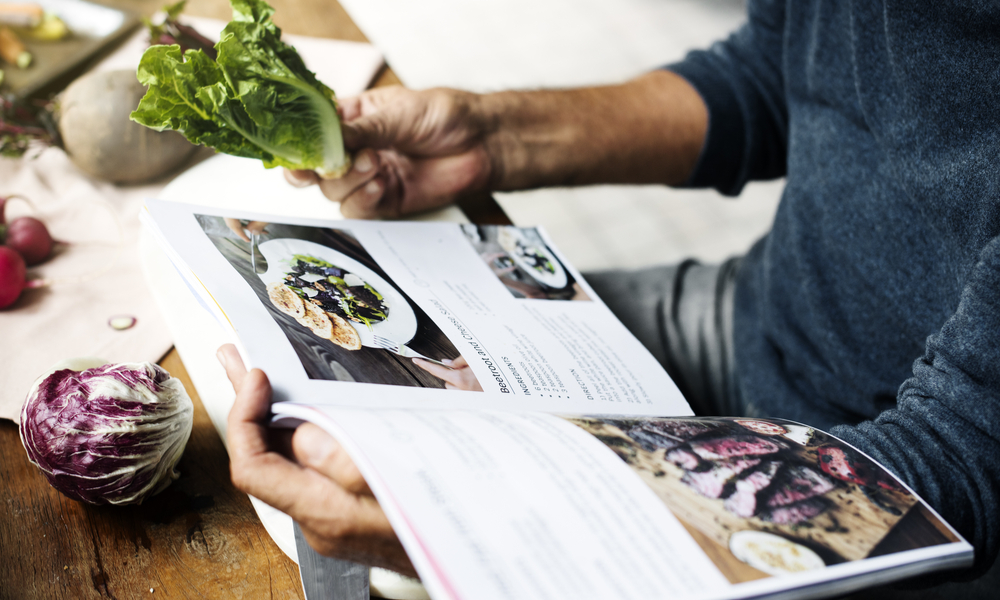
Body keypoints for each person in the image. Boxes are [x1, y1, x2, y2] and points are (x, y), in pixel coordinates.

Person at [219, 0, 1000, 588]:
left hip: (905, 485)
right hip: (757, 315)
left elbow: (961, 458)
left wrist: (490, 526)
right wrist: (487, 138)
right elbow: (776, 74)